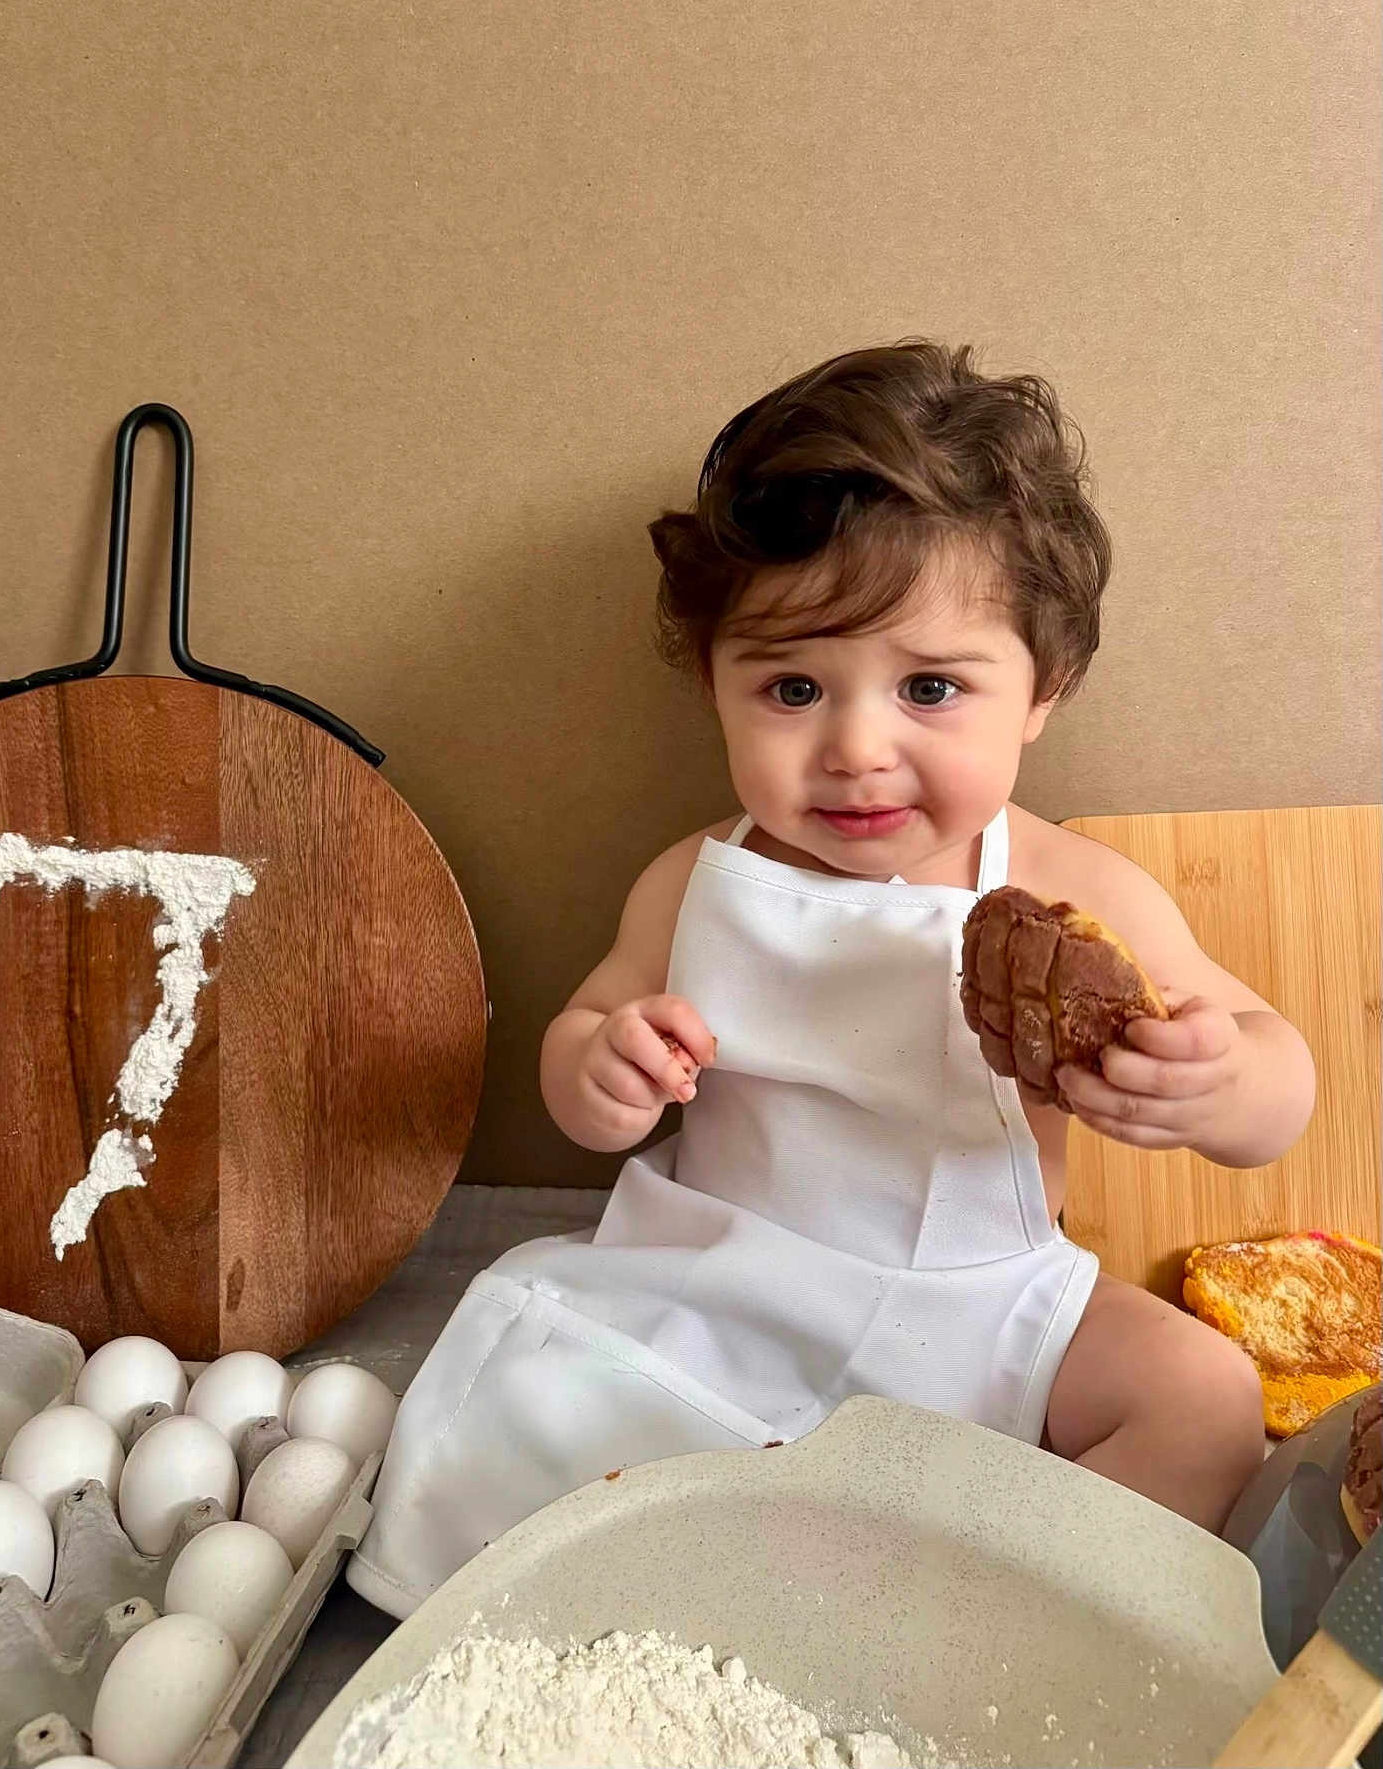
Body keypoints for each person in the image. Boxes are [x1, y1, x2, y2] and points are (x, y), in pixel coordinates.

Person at [348, 339, 1315, 1619]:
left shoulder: (1078, 890)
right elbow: (585, 1037)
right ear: (713, 685)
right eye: (794, 687)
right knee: (542, 1407)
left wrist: (1221, 1079)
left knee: (1203, 1399)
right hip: (736, 1269)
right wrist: (604, 1069)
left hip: (985, 1295)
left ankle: (1003, 1626)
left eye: (930, 688)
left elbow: (1275, 1078)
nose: (858, 750)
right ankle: (731, 1595)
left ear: (1043, 691)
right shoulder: (697, 880)